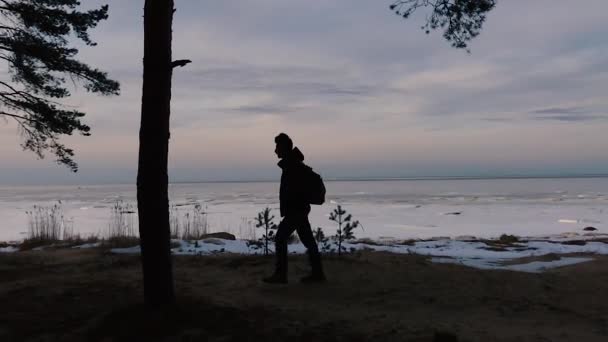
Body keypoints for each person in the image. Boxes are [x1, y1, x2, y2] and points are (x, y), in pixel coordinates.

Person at [263, 133, 326, 284]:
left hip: (296, 210)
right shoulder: (292, 164)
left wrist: (293, 206)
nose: (275, 150)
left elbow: (295, 190)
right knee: (309, 241)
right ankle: (318, 274)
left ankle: (281, 275)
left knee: (280, 238)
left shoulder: (293, 166)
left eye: (277, 147)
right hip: (299, 210)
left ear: (284, 148)